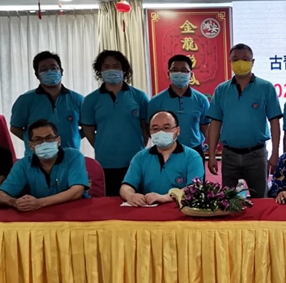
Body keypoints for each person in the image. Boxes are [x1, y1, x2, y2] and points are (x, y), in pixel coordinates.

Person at [207, 43, 282, 198]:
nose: (240, 63)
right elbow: (215, 124)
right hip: (229, 155)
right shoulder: (221, 90)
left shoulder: (266, 87)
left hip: (256, 155)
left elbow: (274, 122)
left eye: (245, 59)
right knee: (228, 200)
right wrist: (212, 155)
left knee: (260, 199)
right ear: (230, 62)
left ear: (252, 62)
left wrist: (275, 153)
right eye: (236, 59)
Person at [80, 50, 150, 197]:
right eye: (106, 66)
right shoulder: (90, 100)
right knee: (110, 203)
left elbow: (146, 128)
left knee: (136, 201)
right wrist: (101, 144)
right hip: (105, 162)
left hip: (135, 161)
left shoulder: (139, 96)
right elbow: (88, 129)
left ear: (124, 70)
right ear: (100, 71)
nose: (111, 70)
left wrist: (139, 147)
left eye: (116, 66)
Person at [0, 119, 88, 211]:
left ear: (58, 141)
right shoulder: (22, 165)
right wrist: (15, 202)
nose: (44, 143)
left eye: (49, 138)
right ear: (31, 145)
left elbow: (77, 191)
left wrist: (39, 203)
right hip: (38, 215)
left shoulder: (74, 156)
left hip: (73, 211)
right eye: (38, 140)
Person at [120, 111, 205, 207]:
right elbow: (126, 186)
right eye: (155, 129)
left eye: (166, 128)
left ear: (177, 131)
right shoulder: (140, 157)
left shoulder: (192, 156)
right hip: (149, 209)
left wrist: (165, 197)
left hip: (179, 210)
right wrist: (130, 196)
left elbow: (194, 188)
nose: (161, 132)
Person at [10, 51, 84, 156]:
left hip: (70, 157)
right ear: (37, 75)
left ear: (61, 71)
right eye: (44, 69)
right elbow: (15, 128)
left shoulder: (78, 99)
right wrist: (37, 143)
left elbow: (88, 127)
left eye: (54, 68)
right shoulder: (25, 100)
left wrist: (74, 138)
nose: (50, 72)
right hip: (36, 157)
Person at [147, 54, 211, 157]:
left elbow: (205, 128)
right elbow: (149, 129)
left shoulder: (201, 100)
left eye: (184, 70)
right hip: (165, 151)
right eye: (175, 70)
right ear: (169, 74)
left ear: (191, 75)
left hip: (194, 151)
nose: (179, 73)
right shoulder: (156, 101)